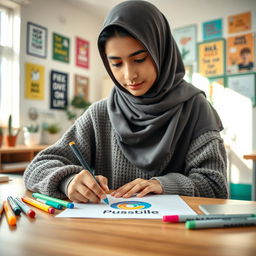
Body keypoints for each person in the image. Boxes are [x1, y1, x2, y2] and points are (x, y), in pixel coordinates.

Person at [24, 1, 228, 203]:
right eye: (116, 64)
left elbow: (216, 187)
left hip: (177, 231)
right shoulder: (100, 113)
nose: (129, 75)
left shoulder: (196, 107)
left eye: (139, 59)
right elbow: (36, 167)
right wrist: (67, 181)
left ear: (161, 52)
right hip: (113, 232)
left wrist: (165, 185)